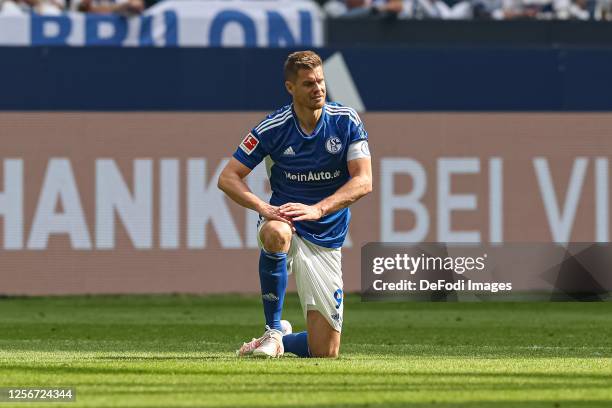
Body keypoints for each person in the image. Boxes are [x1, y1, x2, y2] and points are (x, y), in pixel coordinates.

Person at [217, 50, 372, 358]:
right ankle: (272, 331)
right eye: (308, 84)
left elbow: (363, 181)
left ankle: (281, 341)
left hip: (327, 232)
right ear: (291, 88)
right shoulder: (273, 127)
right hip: (285, 220)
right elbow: (228, 177)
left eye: (321, 82)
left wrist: (318, 209)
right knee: (276, 233)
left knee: (325, 351)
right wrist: (264, 208)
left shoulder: (345, 121)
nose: (318, 89)